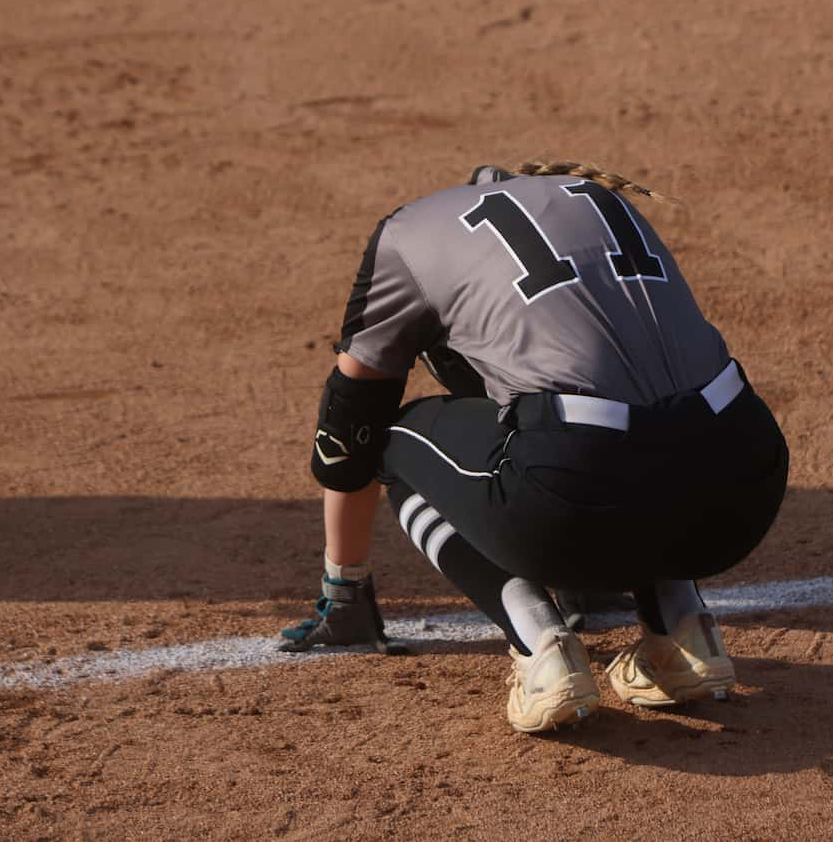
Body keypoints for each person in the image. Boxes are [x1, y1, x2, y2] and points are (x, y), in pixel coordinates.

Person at [278, 161, 789, 733]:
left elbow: (349, 430)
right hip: (743, 486)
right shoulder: (607, 203)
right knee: (648, 415)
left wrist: (343, 590)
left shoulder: (410, 232)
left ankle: (540, 643)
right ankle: (682, 628)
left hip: (573, 497)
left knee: (395, 441)